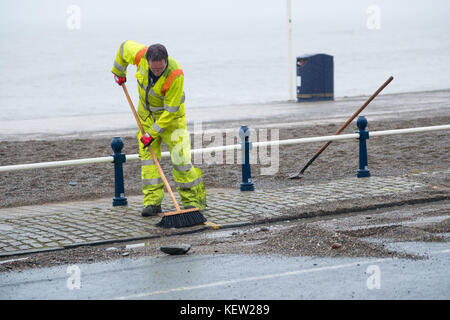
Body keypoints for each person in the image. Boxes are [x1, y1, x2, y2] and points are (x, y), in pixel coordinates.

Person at [111, 41, 206, 217]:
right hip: (146, 119)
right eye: (154, 69)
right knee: (149, 163)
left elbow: (170, 111)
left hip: (172, 121)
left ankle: (192, 202)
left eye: (160, 68)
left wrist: (151, 134)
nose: (157, 72)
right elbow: (123, 48)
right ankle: (152, 203)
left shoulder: (176, 74)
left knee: (181, 162)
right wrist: (119, 71)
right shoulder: (140, 55)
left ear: (166, 61)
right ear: (147, 61)